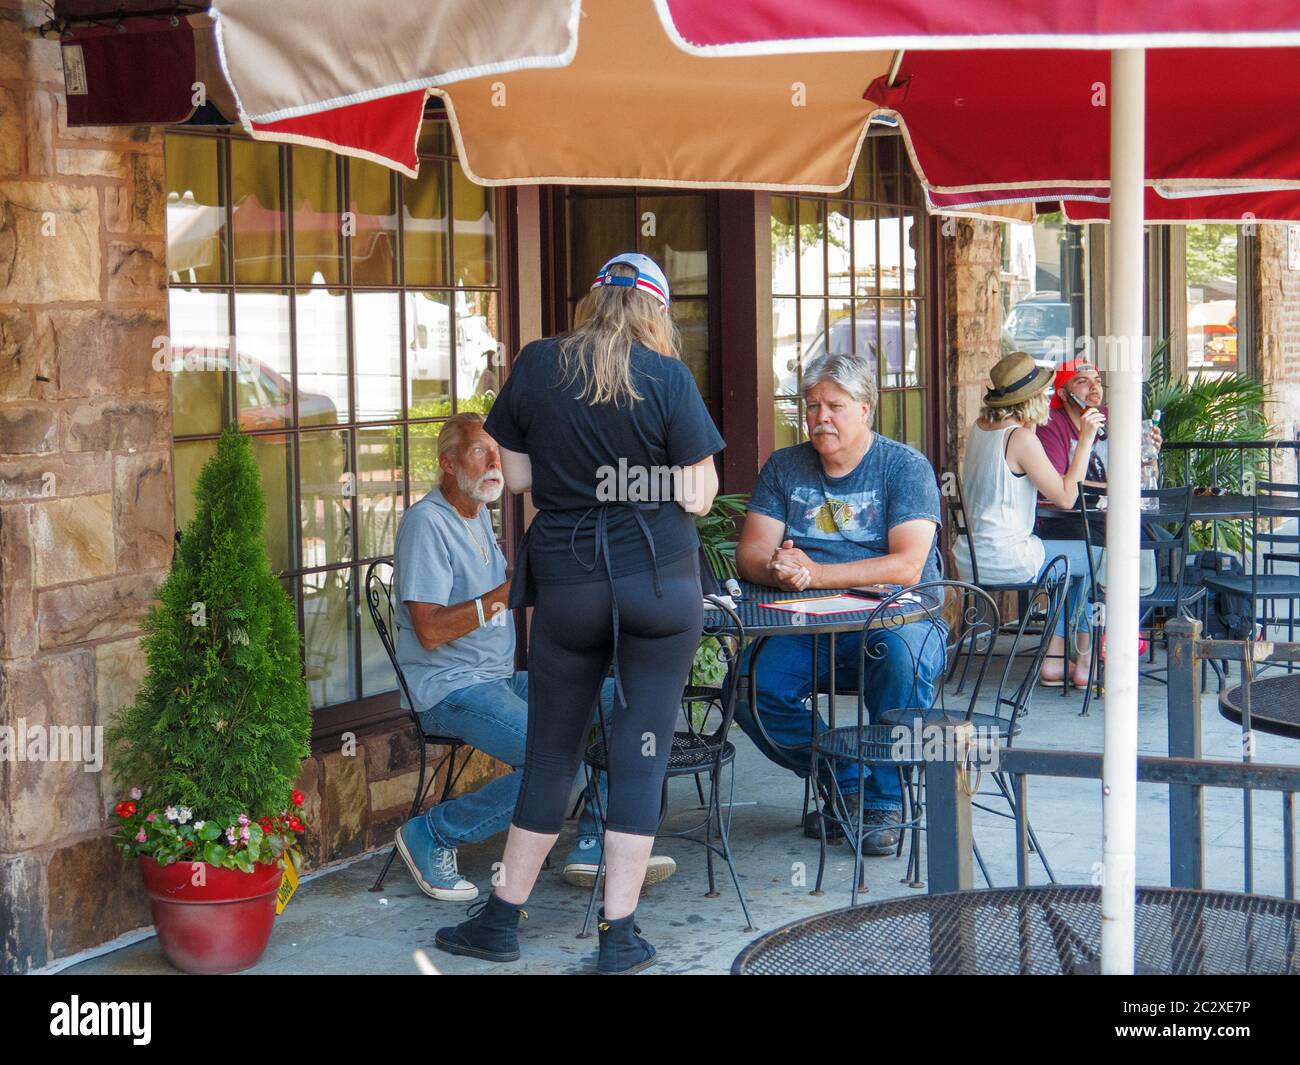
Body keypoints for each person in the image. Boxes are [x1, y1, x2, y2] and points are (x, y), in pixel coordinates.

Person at [434, 252, 724, 975]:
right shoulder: (666, 377)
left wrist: (582, 475)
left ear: (592, 302)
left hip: (569, 582)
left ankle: (501, 919)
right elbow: (699, 494)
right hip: (658, 581)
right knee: (643, 748)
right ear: (656, 310)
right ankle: (618, 934)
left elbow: (519, 477)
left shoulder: (537, 365)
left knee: (553, 750)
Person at [391, 412, 677, 901]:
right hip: (448, 686)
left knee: (623, 701)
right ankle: (432, 832)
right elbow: (431, 630)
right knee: (553, 761)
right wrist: (508, 592)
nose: (494, 462)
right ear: (447, 461)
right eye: (481, 450)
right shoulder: (427, 524)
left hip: (498, 677)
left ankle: (591, 842)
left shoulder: (479, 512)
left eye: (499, 452)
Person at [731, 350, 946, 855]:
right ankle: (848, 782)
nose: (820, 417)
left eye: (835, 405)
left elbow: (907, 565)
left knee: (899, 659)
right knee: (748, 688)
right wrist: (778, 570)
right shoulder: (785, 466)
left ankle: (886, 800)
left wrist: (815, 573)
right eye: (811, 406)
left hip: (899, 619)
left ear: (866, 408)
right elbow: (752, 552)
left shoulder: (904, 466)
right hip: (811, 625)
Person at [952, 351, 1105, 688]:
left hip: (971, 557)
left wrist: (1030, 420)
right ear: (1031, 399)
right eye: (1045, 393)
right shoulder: (1020, 440)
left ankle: (1056, 655)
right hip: (1008, 558)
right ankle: (1082, 656)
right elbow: (1066, 497)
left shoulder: (980, 428)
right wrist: (1086, 441)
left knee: (1073, 563)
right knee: (1095, 555)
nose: (1049, 398)